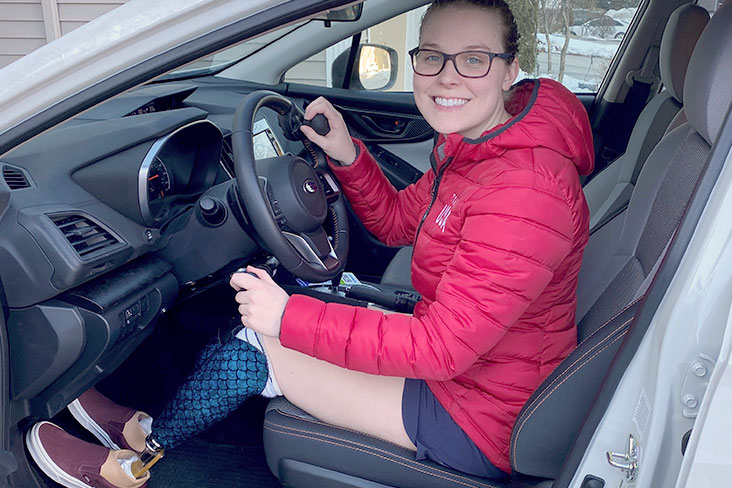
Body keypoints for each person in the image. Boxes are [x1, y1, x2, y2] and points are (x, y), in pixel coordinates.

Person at [25, 1, 594, 486]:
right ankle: (144, 430)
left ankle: (130, 461)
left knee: (261, 340)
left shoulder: (526, 189)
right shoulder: (475, 149)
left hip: (478, 413)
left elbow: (441, 348)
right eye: (432, 56)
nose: (447, 78)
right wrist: (347, 154)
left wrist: (287, 318)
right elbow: (400, 223)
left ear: (509, 70)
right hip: (475, 373)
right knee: (292, 297)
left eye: (474, 60)